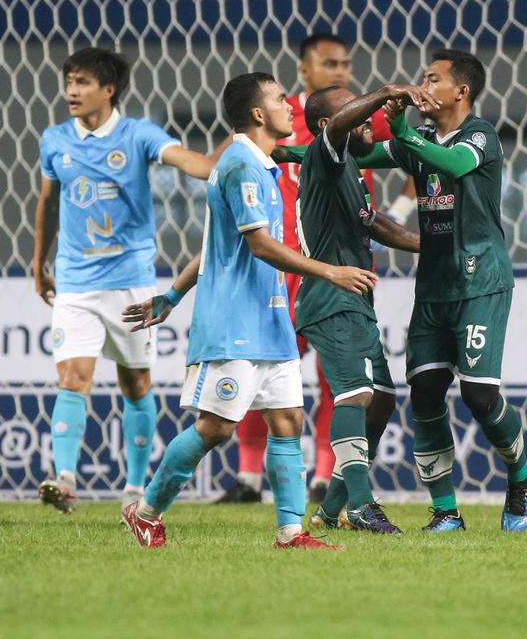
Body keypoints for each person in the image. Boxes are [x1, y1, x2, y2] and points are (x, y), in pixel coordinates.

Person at [119, 72, 375, 548]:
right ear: (258, 113)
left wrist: (171, 296)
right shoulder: (239, 165)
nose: (289, 106)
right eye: (279, 99)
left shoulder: (262, 166)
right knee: (216, 427)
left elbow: (213, 243)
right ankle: (146, 511)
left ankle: (290, 532)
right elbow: (259, 245)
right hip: (234, 322)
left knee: (288, 420)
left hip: (271, 319)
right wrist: (330, 271)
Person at [218, 32, 412, 505]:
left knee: (339, 381)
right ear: (304, 70)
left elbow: (412, 154)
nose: (341, 70)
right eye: (330, 64)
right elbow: (231, 158)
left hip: (341, 265)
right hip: (283, 265)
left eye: (345, 63)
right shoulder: (281, 119)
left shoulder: (361, 117)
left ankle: (326, 478)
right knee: (264, 369)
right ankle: (248, 478)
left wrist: (397, 216)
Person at [32, 47, 220, 513]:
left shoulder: (138, 134)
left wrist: (228, 152)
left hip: (130, 280)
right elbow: (48, 202)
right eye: (69, 81)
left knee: (136, 383)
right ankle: (65, 478)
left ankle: (135, 487)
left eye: (82, 82)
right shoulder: (55, 139)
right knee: (73, 377)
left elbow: (190, 163)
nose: (71, 90)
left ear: (108, 89)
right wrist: (38, 262)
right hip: (75, 280)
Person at [358, 49, 527, 532]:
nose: (423, 86)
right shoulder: (418, 141)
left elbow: (454, 164)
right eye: (423, 78)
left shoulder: (480, 135)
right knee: (425, 391)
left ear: (461, 91)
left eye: (433, 78)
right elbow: (354, 154)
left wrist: (404, 132)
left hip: (481, 283)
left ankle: (521, 475)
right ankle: (445, 512)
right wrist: (284, 153)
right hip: (433, 287)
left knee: (479, 396)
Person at [289, 84, 432, 533]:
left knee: (382, 400)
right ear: (329, 125)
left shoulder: (350, 168)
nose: (368, 119)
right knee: (355, 395)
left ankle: (330, 511)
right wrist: (386, 93)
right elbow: (343, 123)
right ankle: (362, 504)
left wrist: (432, 245)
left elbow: (376, 225)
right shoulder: (324, 154)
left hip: (355, 300)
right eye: (355, 112)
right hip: (330, 298)